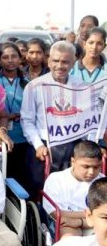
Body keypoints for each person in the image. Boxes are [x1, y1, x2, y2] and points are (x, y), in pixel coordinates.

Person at [21, 41, 79, 197]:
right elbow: (27, 120)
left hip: (72, 147)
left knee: (69, 192)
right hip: (43, 148)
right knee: (40, 192)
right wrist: (38, 145)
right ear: (48, 61)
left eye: (65, 62)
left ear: (73, 63)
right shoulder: (34, 86)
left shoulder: (81, 87)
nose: (60, 66)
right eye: (55, 61)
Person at [43, 140, 103, 237]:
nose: (91, 172)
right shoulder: (56, 179)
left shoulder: (102, 182)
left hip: (93, 223)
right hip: (66, 225)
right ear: (73, 162)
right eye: (86, 167)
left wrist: (80, 221)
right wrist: (91, 214)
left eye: (96, 167)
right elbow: (55, 213)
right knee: (71, 242)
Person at [0, 43, 29, 184]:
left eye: (14, 56)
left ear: (20, 58)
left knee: (19, 177)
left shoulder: (27, 83)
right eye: (5, 57)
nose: (10, 60)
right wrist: (9, 116)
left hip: (22, 137)